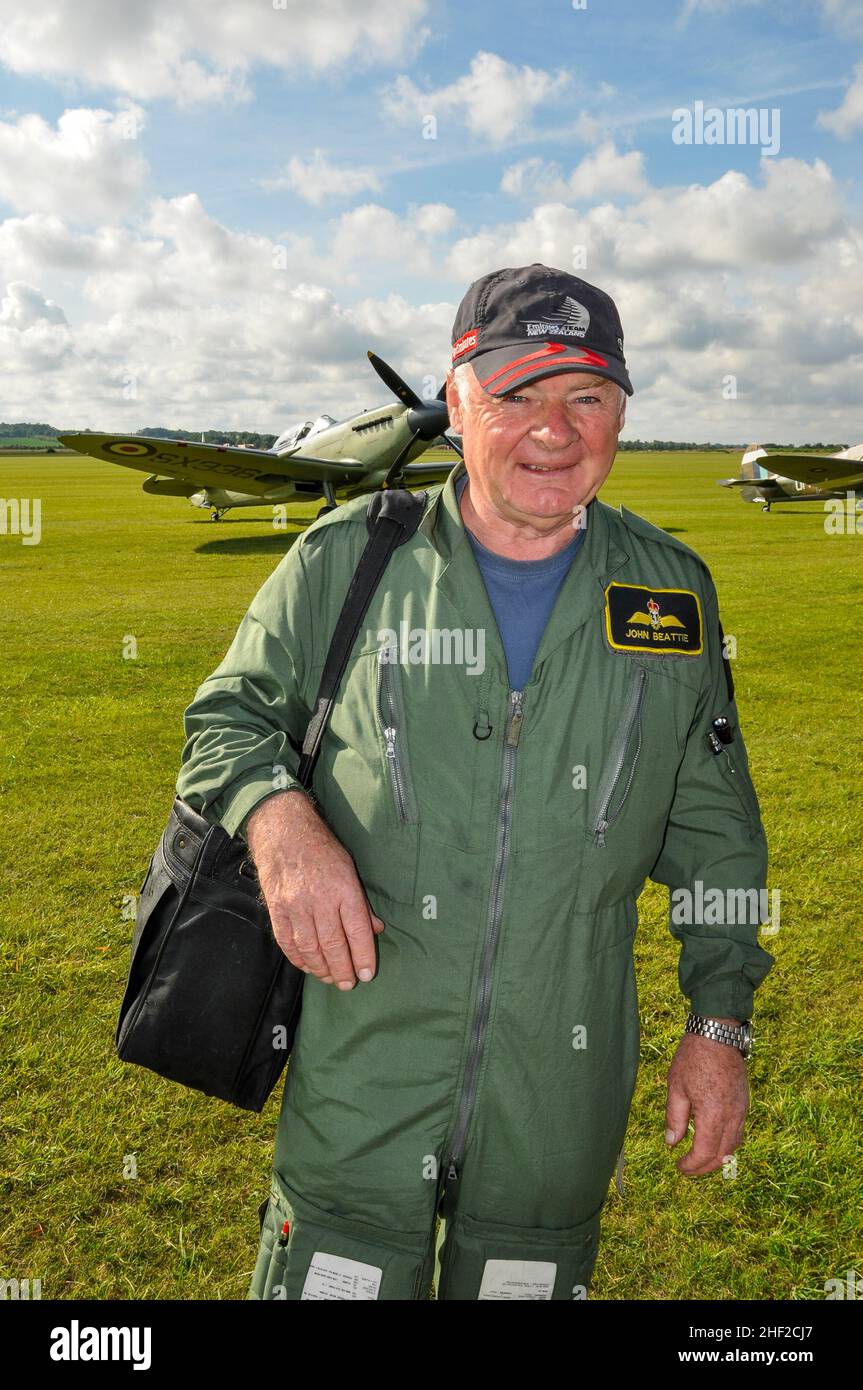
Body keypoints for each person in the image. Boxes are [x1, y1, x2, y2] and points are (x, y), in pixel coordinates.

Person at [175, 263, 774, 1300]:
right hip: (361, 1073)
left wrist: (718, 1024)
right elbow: (226, 719)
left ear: (620, 415)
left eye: (586, 395)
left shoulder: (669, 592)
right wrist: (278, 819)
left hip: (557, 1092)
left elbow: (715, 830)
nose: (554, 426)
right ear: (456, 405)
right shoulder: (346, 560)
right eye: (515, 393)